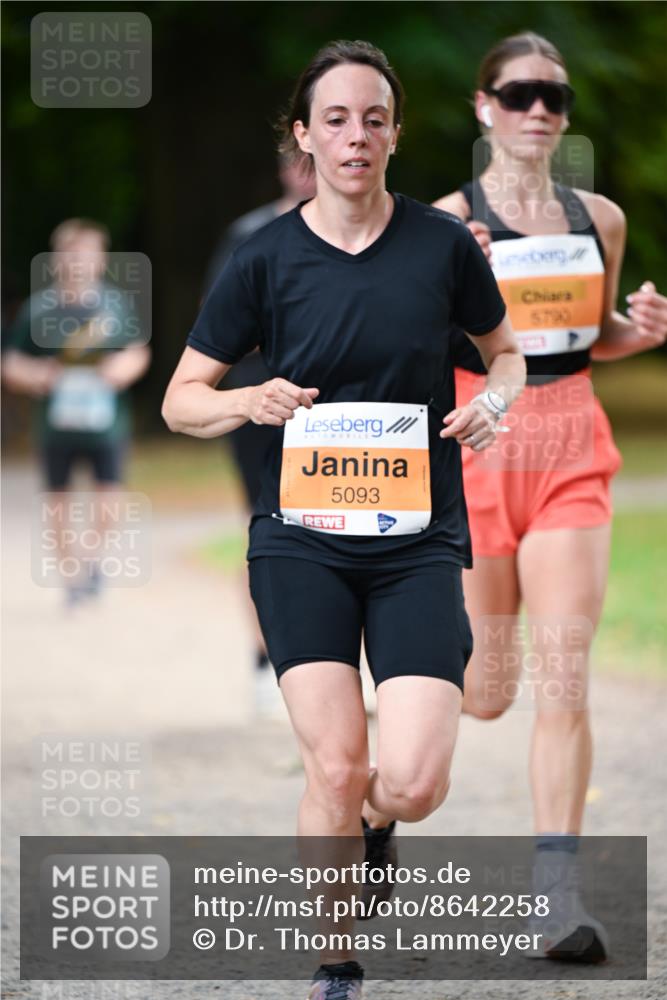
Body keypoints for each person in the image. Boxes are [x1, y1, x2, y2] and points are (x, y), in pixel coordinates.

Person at [163, 40, 525, 999]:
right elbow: (181, 400)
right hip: (300, 543)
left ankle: (377, 826)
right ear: (304, 135)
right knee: (334, 760)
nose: (355, 135)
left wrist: (493, 402)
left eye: (372, 118)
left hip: (414, 545)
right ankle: (336, 963)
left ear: (395, 135)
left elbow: (506, 355)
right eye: (335, 118)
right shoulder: (265, 255)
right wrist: (250, 400)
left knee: (410, 781)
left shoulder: (441, 247)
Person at [433, 31, 667, 963]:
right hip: (479, 443)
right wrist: (453, 279)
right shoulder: (445, 220)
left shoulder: (597, 217)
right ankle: (378, 788)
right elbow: (415, 343)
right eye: (520, 93)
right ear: (483, 107)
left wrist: (636, 331)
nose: (539, 111)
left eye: (554, 98)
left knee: (562, 676)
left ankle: (556, 900)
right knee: (486, 693)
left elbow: (587, 334)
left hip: (571, 442)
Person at [203, 158, 316, 712]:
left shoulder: (374, 237)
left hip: (331, 410)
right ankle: (263, 658)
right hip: (259, 408)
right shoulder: (249, 235)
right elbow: (219, 327)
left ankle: (330, 666)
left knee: (338, 527)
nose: (309, 172)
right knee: (266, 528)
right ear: (283, 166)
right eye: (300, 162)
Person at [3, 218, 150, 605]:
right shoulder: (39, 310)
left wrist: (122, 370)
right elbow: (11, 363)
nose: (79, 263)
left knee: (109, 505)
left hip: (107, 426)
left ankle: (89, 560)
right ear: (58, 260)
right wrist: (35, 373)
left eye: (87, 254)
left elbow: (138, 352)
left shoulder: (117, 307)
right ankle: (72, 579)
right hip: (56, 428)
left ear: (101, 260)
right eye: (71, 255)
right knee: (58, 507)